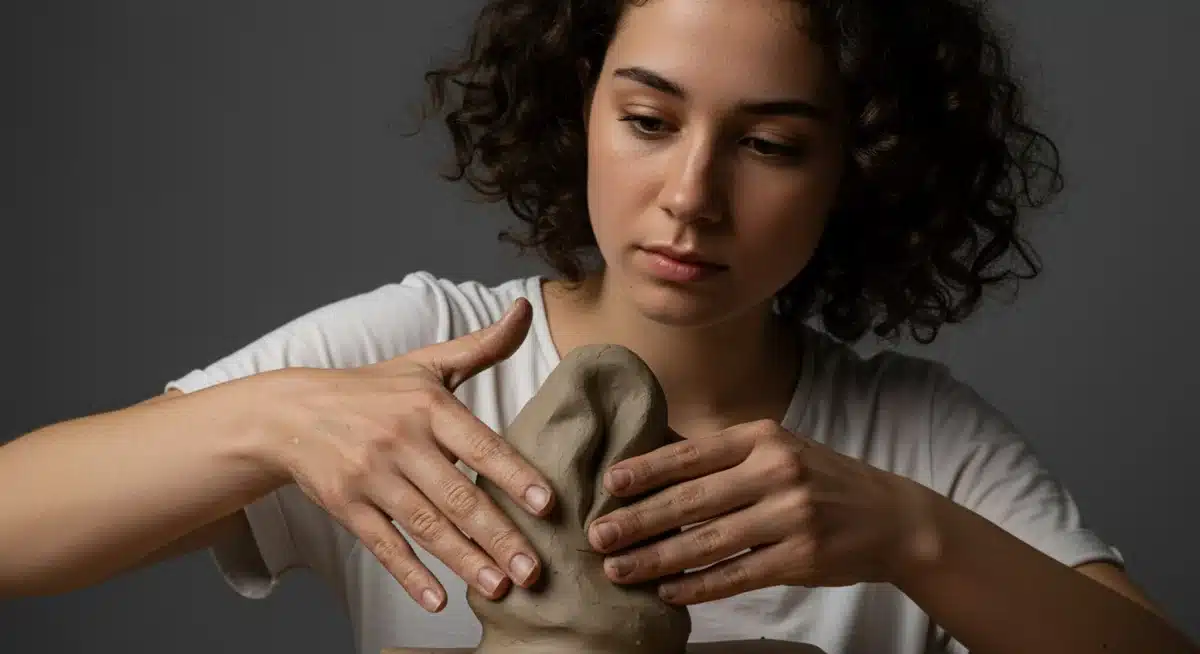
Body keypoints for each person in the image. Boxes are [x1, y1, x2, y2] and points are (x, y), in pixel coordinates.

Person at [1, 0, 1196, 652]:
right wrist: (279, 421)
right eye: (647, 119)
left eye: (772, 145)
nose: (692, 195)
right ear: (577, 108)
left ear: (862, 170)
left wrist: (911, 539)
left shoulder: (909, 441)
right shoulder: (421, 360)